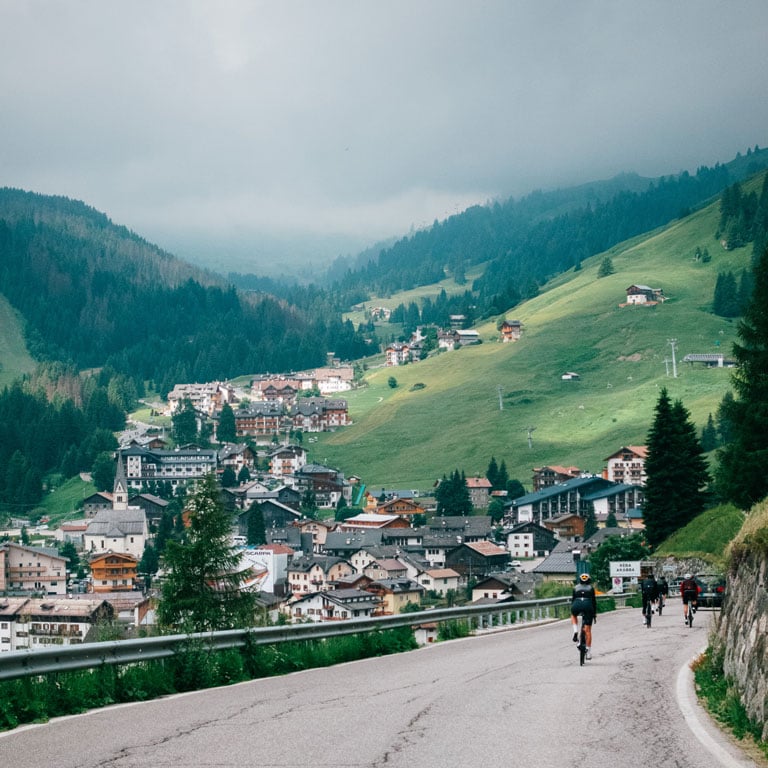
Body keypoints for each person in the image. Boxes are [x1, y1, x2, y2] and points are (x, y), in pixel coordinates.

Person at [571, 572, 597, 659]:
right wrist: (594, 614)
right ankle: (588, 652)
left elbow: (573, 600)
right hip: (588, 606)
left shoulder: (575, 588)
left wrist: (574, 608)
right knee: (588, 630)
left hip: (576, 605)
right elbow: (593, 602)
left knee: (573, 615)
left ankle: (575, 630)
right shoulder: (591, 588)